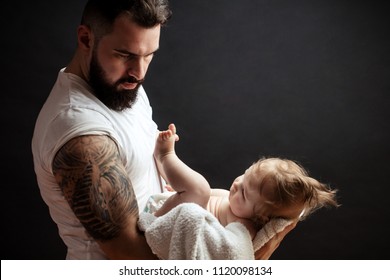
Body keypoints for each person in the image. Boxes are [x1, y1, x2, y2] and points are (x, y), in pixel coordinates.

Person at [31, 0, 294, 260]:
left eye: (149, 55)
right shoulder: (80, 132)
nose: (139, 72)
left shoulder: (121, 86)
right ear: (86, 39)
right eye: (125, 55)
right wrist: (245, 261)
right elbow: (130, 255)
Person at [154, 123, 339, 244]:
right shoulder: (231, 198)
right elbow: (202, 197)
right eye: (244, 175)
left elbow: (227, 251)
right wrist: (178, 195)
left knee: (200, 189)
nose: (236, 184)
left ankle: (165, 156)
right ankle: (165, 168)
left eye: (244, 193)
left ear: (260, 217)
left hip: (169, 228)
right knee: (201, 191)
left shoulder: (243, 227)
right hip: (165, 211)